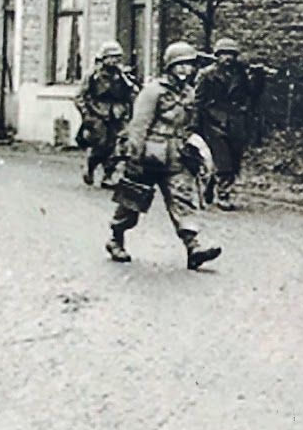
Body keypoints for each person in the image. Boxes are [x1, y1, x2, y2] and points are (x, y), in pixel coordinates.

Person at [106, 41, 221, 271]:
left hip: (176, 155)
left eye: (189, 65)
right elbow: (139, 125)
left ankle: (194, 248)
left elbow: (189, 124)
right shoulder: (153, 91)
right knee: (131, 202)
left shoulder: (189, 93)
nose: (185, 70)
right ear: (170, 66)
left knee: (182, 199)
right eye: (180, 65)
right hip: (148, 155)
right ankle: (116, 239)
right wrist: (133, 156)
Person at [194, 37, 266, 210]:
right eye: (224, 54)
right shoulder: (206, 74)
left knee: (234, 159)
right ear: (217, 56)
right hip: (213, 121)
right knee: (223, 158)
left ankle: (211, 182)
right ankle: (223, 194)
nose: (228, 58)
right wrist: (195, 125)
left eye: (231, 54)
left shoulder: (240, 74)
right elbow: (198, 101)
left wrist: (258, 77)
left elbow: (252, 93)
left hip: (236, 121)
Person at [75, 41, 139, 188]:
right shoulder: (93, 75)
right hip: (97, 113)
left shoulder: (122, 75)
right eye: (111, 57)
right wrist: (86, 115)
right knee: (101, 145)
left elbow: (132, 93)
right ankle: (91, 166)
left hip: (118, 113)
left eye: (117, 57)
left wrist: (131, 111)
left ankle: (108, 175)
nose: (114, 60)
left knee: (118, 146)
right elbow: (79, 96)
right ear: (103, 58)